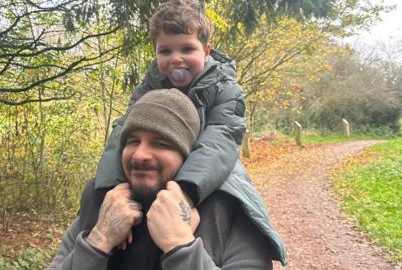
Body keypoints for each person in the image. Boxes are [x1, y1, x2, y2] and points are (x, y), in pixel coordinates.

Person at [48, 89, 286, 269]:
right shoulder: (102, 201)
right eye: (132, 141)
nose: (140, 154)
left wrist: (179, 245)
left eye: (161, 143)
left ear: (187, 155)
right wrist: (98, 241)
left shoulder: (230, 208)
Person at [95, 0, 246, 207]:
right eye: (166, 51)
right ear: (156, 53)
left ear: (206, 51)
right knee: (92, 196)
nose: (176, 59)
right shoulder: (148, 88)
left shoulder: (225, 89)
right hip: (158, 170)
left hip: (204, 174)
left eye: (187, 49)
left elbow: (221, 138)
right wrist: (112, 188)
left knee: (234, 196)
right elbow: (123, 132)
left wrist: (186, 191)